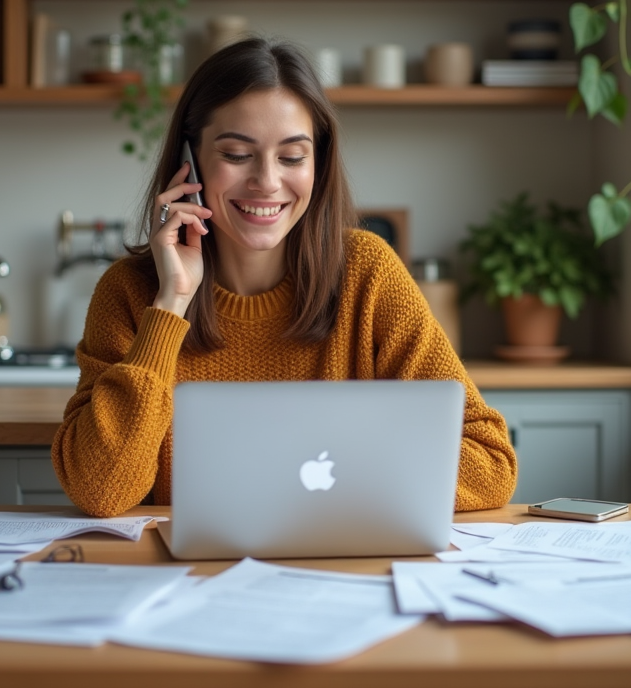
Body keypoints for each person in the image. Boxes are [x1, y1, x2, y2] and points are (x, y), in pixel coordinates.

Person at [52, 37, 517, 518]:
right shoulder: (130, 292)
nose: (267, 182)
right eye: (236, 154)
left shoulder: (368, 273)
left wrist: (333, 475)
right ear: (188, 163)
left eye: (292, 157)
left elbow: (490, 464)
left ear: (318, 163)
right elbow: (99, 489)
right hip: (185, 583)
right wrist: (172, 303)